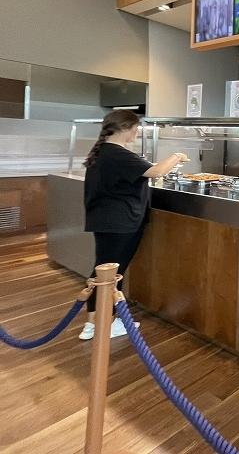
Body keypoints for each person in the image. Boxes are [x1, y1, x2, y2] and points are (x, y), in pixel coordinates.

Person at [79, 110, 189, 340]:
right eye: (136, 128)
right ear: (125, 128)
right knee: (111, 274)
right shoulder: (117, 153)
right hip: (120, 223)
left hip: (107, 220)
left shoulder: (105, 151)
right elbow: (157, 171)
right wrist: (177, 156)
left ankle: (94, 322)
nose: (137, 133)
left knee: (104, 270)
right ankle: (105, 324)